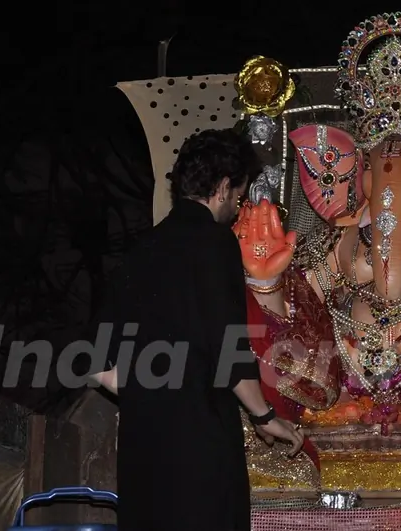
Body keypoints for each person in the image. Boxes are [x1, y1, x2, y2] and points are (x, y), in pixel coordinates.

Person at [90, 128, 304, 531]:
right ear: (222, 188)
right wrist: (264, 415)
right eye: (238, 196)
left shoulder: (139, 250)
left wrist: (148, 396)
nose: (237, 208)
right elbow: (229, 349)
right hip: (200, 448)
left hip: (142, 452)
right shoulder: (214, 242)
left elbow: (97, 361)